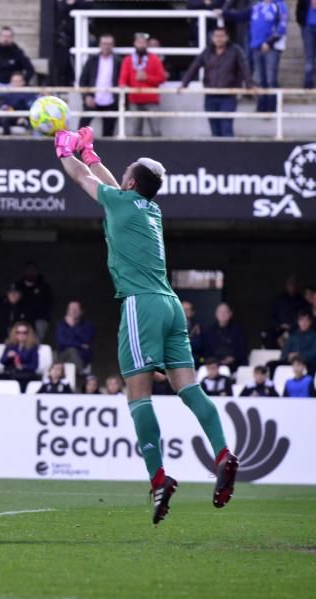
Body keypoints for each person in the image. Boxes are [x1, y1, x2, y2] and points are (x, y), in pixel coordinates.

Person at [55, 124, 237, 524]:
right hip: (171, 304)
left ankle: (158, 477)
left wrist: (64, 150)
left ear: (132, 181)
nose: (120, 177)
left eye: (126, 173)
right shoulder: (150, 208)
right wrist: (91, 153)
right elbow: (108, 182)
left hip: (141, 304)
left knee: (138, 396)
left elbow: (83, 180)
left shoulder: (122, 203)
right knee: (188, 387)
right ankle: (222, 451)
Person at [179, 26, 253, 137]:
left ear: (227, 37)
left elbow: (245, 68)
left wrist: (249, 85)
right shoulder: (207, 51)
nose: (219, 39)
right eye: (216, 36)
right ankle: (217, 154)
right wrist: (184, 83)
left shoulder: (235, 50)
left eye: (221, 36)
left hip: (228, 95)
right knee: (215, 130)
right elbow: (194, 67)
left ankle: (228, 153)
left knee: (226, 128)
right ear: (212, 38)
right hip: (210, 95)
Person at [222, 0, 288, 113]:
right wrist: (223, 13)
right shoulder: (257, 7)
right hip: (256, 47)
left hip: (271, 49)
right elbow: (241, 16)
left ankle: (272, 108)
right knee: (260, 80)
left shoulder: (280, 6)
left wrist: (269, 42)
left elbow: (282, 27)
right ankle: (262, 107)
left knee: (271, 79)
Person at [118, 32, 166, 137]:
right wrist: (123, 86)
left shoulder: (154, 59)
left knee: (156, 131)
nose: (141, 45)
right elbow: (122, 79)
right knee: (136, 132)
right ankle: (136, 154)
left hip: (152, 101)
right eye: (139, 42)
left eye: (144, 42)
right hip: (134, 100)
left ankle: (159, 153)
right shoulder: (128, 60)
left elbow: (162, 78)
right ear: (134, 43)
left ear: (147, 44)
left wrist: (147, 78)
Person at [78, 34, 120, 137]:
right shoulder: (92, 60)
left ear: (113, 45)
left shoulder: (118, 61)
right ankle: (76, 149)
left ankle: (107, 153)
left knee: (108, 135)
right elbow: (82, 80)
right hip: (92, 99)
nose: (107, 46)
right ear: (100, 45)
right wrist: (86, 96)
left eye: (109, 44)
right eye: (104, 44)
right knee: (81, 130)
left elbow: (122, 81)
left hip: (111, 102)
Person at [200, 302, 248, 371]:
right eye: (220, 312)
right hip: (213, 366)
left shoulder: (238, 331)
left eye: (225, 312)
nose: (222, 314)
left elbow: (243, 350)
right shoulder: (209, 331)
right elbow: (205, 351)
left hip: (234, 366)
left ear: (231, 314)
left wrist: (233, 358)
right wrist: (215, 361)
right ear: (216, 314)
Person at [0, 321, 40, 392]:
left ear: (28, 334)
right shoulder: (10, 345)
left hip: (25, 375)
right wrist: (8, 356)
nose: (21, 335)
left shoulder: (33, 347)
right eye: (18, 332)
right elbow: (2, 361)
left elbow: (34, 365)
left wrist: (23, 366)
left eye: (24, 332)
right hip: (11, 374)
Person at [55, 300, 94, 372]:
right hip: (64, 355)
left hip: (82, 357)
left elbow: (87, 340)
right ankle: (80, 372)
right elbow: (61, 342)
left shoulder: (87, 325)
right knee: (72, 350)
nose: (73, 311)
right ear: (67, 311)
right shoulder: (61, 325)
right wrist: (80, 345)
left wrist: (73, 327)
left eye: (76, 309)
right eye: (71, 309)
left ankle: (77, 373)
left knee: (73, 356)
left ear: (81, 311)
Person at [0, 71, 36, 135]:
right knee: (2, 118)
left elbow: (31, 109)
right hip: (10, 117)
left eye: (19, 81)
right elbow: (4, 107)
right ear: (11, 82)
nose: (17, 83)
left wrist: (23, 118)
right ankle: (6, 141)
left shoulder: (30, 94)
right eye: (14, 81)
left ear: (23, 82)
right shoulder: (6, 95)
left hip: (25, 118)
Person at [301, 0, 316, 88]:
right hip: (308, 27)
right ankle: (308, 82)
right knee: (309, 56)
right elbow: (300, 9)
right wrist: (303, 23)